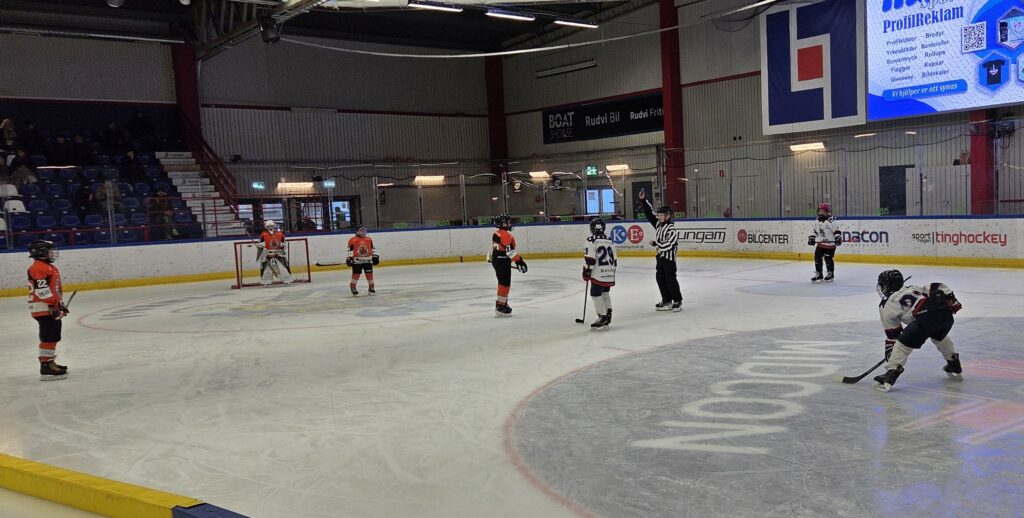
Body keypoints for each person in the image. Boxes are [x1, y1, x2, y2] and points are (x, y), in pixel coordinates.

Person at [872, 269, 963, 392]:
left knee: (902, 345)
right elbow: (938, 286)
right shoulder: (912, 288)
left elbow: (893, 336)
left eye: (883, 286)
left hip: (925, 319)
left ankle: (890, 374)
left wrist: (892, 355)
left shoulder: (886, 304)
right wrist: (953, 301)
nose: (882, 289)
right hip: (945, 315)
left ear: (888, 286)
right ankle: (954, 363)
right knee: (940, 338)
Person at [27, 240, 69, 380]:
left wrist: (60, 304)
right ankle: (45, 366)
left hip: (48, 306)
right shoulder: (38, 267)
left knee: (53, 336)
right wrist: (54, 304)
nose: (52, 253)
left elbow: (53, 290)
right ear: (41, 253)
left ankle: (50, 362)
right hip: (43, 307)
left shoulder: (47, 267)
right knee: (48, 336)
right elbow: (42, 291)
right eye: (49, 251)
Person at [637, 189, 682, 312]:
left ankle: (677, 301)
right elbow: (649, 214)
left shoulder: (671, 230)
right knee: (660, 279)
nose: (659, 217)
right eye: (659, 215)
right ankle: (667, 300)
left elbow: (669, 245)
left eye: (662, 215)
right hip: (660, 258)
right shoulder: (658, 225)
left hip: (669, 259)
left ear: (668, 216)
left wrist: (656, 244)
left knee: (670, 279)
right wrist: (643, 200)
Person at [488, 214, 527, 317]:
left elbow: (500, 249)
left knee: (504, 283)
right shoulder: (505, 235)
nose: (510, 224)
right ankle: (500, 307)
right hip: (502, 262)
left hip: (499, 261)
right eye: (508, 222)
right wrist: (519, 261)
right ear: (503, 224)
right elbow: (509, 251)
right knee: (504, 284)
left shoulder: (497, 233)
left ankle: (502, 304)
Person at [583, 217, 617, 329]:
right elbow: (615, 259)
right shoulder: (610, 240)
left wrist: (586, 271)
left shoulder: (590, 240)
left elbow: (590, 260)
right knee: (605, 293)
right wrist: (611, 271)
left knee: (595, 294)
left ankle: (602, 317)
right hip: (610, 272)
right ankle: (608, 313)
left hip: (598, 273)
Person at [808, 203, 841, 282]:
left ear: (826, 211)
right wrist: (812, 238)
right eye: (819, 210)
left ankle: (830, 273)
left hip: (830, 245)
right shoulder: (817, 221)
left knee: (828, 259)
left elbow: (837, 231)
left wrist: (837, 238)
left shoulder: (831, 221)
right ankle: (819, 274)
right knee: (817, 258)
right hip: (820, 244)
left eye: (822, 210)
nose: (820, 212)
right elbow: (815, 232)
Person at [257, 220, 293, 286]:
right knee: (266, 269)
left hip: (278, 253)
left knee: (283, 267)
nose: (270, 227)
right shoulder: (263, 234)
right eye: (268, 226)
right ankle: (266, 281)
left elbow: (284, 243)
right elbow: (261, 243)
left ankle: (287, 279)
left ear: (274, 226)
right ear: (266, 227)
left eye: (272, 226)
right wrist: (260, 246)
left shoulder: (280, 234)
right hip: (267, 254)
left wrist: (282, 248)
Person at [346, 226, 378, 295]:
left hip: (368, 260)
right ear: (357, 232)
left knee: (369, 275)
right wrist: (349, 258)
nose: (363, 232)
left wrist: (375, 256)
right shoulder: (353, 240)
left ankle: (371, 288)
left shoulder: (369, 239)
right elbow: (350, 250)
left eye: (364, 231)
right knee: (356, 275)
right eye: (361, 231)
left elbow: (372, 248)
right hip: (357, 261)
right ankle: (353, 287)